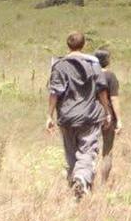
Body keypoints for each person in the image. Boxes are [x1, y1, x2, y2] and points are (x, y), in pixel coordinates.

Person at [46, 31, 112, 199]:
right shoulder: (93, 63)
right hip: (89, 116)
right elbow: (101, 89)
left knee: (71, 152)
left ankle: (75, 185)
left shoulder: (59, 65)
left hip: (67, 116)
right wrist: (106, 111)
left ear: (68, 45)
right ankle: (81, 178)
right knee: (88, 150)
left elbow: (54, 92)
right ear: (83, 45)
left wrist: (49, 115)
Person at [95, 47, 122, 184]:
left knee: (90, 150)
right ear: (106, 60)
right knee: (107, 150)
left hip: (90, 116)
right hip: (107, 116)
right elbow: (114, 98)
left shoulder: (90, 75)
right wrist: (119, 119)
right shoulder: (110, 76)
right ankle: (103, 182)